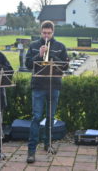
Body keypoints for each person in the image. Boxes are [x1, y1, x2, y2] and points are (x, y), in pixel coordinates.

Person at [26, 20, 69, 163]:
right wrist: (39, 55)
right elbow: (27, 65)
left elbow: (65, 66)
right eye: (44, 33)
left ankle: (47, 144)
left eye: (49, 33)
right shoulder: (33, 46)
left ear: (53, 32)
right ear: (41, 32)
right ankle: (31, 150)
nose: (46, 35)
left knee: (50, 117)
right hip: (38, 86)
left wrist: (51, 54)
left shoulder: (60, 46)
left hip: (54, 85)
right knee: (36, 117)